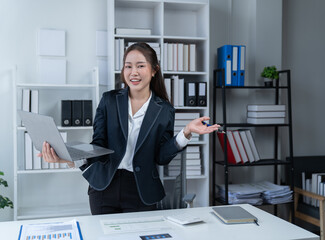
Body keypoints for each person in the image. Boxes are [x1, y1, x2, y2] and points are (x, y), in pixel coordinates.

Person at [40, 42, 220, 215]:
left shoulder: (164, 110)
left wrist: (186, 132)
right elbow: (98, 146)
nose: (133, 72)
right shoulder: (109, 100)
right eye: (128, 66)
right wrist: (68, 159)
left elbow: (161, 157)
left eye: (140, 66)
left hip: (141, 190)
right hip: (104, 188)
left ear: (154, 70)